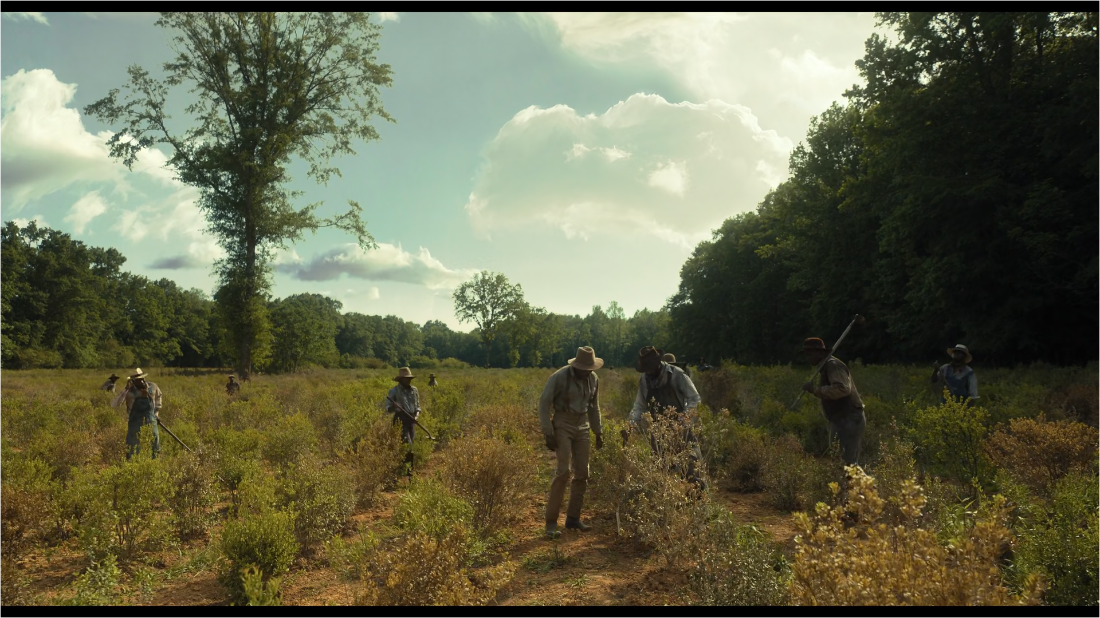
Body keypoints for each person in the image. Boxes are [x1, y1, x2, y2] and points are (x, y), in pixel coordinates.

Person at [538, 346, 604, 537]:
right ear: (576, 366)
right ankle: (551, 522)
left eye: (589, 368)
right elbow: (544, 404)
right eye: (584, 368)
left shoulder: (593, 379)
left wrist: (598, 432)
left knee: (583, 472)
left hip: (582, 423)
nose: (587, 372)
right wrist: (548, 432)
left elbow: (594, 407)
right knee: (563, 471)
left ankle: (573, 519)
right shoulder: (559, 377)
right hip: (563, 422)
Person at [630, 346, 706, 490]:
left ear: (658, 363)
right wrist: (631, 424)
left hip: (683, 431)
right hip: (659, 433)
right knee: (664, 475)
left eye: (651, 368)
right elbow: (640, 406)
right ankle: (671, 510)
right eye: (646, 369)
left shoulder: (677, 374)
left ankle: (700, 508)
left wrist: (684, 421)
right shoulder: (644, 380)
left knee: (694, 473)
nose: (649, 372)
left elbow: (694, 399)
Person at [800, 338, 865, 466]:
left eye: (809, 354)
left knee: (849, 464)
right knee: (839, 460)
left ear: (819, 353)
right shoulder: (825, 366)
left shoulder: (833, 365)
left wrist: (815, 390)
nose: (807, 358)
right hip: (840, 419)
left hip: (849, 418)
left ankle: (866, 486)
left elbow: (842, 389)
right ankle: (851, 486)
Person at [112, 368, 162, 460]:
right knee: (132, 448)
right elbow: (115, 404)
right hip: (135, 423)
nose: (141, 381)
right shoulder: (129, 392)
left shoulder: (153, 387)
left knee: (154, 446)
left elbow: (158, 399)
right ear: (133, 381)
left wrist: (156, 414)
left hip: (151, 421)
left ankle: (154, 465)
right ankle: (132, 466)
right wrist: (125, 389)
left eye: (142, 378)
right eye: (138, 380)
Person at [384, 367, 421, 476]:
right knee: (407, 445)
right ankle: (409, 473)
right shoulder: (394, 391)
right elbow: (387, 407)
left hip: (412, 421)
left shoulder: (414, 390)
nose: (408, 380)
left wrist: (416, 416)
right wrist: (394, 407)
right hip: (400, 420)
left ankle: (403, 469)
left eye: (409, 378)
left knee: (409, 446)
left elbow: (418, 406)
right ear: (400, 379)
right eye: (406, 379)